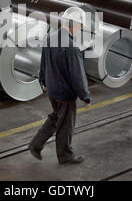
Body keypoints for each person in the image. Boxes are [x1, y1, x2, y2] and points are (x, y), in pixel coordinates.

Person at [29, 16, 92, 165]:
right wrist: (85, 96)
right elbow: (77, 75)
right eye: (79, 27)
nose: (79, 30)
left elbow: (43, 61)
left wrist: (43, 80)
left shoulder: (50, 39)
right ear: (73, 26)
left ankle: (36, 144)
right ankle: (65, 156)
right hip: (65, 93)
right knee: (65, 124)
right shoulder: (71, 47)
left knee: (56, 117)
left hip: (52, 88)